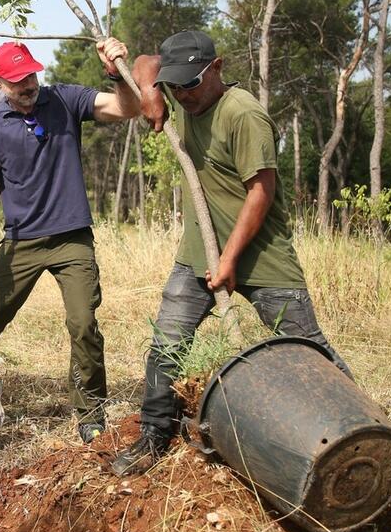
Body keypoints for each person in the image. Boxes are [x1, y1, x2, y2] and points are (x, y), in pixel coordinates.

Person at [111, 30, 353, 476]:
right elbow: (144, 61)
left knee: (307, 348)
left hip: (262, 256)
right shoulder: (177, 90)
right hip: (196, 254)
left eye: (192, 84)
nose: (183, 94)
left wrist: (229, 260)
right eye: (175, 85)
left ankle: (353, 429)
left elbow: (260, 194)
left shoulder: (243, 115)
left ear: (218, 67)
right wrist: (150, 92)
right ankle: (153, 436)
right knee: (167, 344)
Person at [0, 38, 140, 443]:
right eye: (16, 80)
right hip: (20, 240)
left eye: (30, 75)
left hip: (71, 237)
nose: (27, 85)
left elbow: (128, 108)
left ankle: (91, 413)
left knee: (83, 323)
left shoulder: (66, 100)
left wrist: (115, 72)